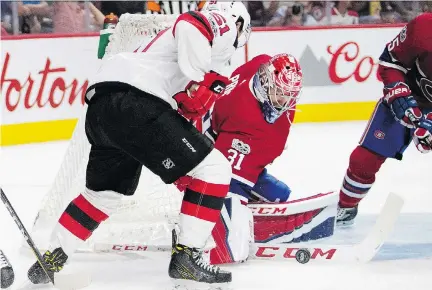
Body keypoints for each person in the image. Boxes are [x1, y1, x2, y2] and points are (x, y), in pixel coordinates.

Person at [27, 1, 251, 286]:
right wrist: (198, 76)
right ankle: (187, 256)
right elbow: (191, 23)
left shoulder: (172, 52)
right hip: (138, 104)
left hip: (102, 107)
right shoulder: (228, 23)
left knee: (103, 196)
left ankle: (52, 256)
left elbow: (185, 110)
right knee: (216, 169)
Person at [175, 52, 305, 264]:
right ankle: (192, 228)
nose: (285, 101)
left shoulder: (260, 65)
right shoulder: (248, 123)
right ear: (266, 81)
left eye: (290, 94)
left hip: (210, 133)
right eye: (280, 92)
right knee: (233, 252)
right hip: (196, 153)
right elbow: (228, 182)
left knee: (280, 195)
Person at [337, 13, 432, 226]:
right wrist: (399, 95)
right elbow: (390, 62)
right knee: (363, 161)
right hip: (411, 96)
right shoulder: (424, 27)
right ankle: (345, 208)